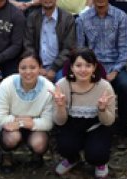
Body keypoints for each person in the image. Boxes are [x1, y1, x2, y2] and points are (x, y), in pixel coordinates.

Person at [76, 0, 127, 136]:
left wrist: (115, 71)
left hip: (116, 65)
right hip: (92, 66)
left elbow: (126, 49)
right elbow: (80, 50)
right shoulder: (82, 19)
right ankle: (91, 125)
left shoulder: (121, 16)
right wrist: (91, 70)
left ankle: (122, 127)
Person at [52, 48, 116, 179]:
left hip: (97, 125)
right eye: (78, 65)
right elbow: (59, 121)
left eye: (88, 65)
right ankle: (73, 159)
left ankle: (100, 163)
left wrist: (102, 109)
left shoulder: (104, 87)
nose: (83, 70)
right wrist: (60, 106)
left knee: (97, 154)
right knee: (65, 146)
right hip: (72, 124)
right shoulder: (62, 85)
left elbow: (109, 121)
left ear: (94, 67)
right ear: (71, 67)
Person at [0, 52, 55, 173]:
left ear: (40, 68)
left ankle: (36, 155)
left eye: (33, 67)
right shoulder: (7, 84)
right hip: (13, 127)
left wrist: (27, 123)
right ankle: (6, 154)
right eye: (23, 68)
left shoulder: (49, 88)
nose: (28, 72)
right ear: (18, 68)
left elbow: (48, 122)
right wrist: (23, 122)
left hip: (35, 127)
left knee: (39, 143)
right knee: (11, 138)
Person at [23, 0, 76, 81]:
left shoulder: (67, 18)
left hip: (60, 67)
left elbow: (68, 48)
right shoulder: (32, 17)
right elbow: (28, 45)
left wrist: (53, 69)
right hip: (37, 66)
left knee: (62, 83)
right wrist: (37, 66)